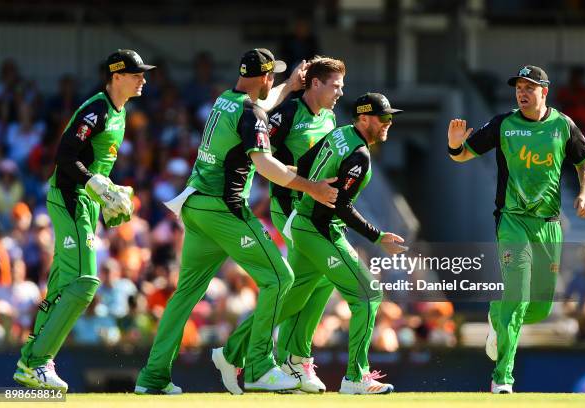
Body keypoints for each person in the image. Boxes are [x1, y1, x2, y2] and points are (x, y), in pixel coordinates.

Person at [135, 48, 338, 395]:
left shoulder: (226, 100)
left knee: (184, 295)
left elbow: (261, 107)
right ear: (264, 77)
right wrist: (311, 187)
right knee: (280, 276)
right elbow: (265, 165)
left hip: (195, 206)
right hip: (224, 209)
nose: (274, 82)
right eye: (273, 77)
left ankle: (153, 378)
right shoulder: (250, 112)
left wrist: (288, 87)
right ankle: (259, 366)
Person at [222, 92, 407, 395]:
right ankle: (355, 378)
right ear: (363, 118)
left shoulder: (340, 133)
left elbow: (304, 163)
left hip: (302, 221)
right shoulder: (358, 154)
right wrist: (377, 236)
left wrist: (296, 203)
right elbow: (339, 207)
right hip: (318, 228)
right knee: (368, 294)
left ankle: (231, 351)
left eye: (390, 118)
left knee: (293, 299)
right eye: (383, 118)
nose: (388, 124)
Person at [447, 65, 585, 394]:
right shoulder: (503, 124)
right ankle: (503, 378)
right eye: (518, 87)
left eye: (530, 87)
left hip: (548, 226)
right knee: (517, 295)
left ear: (545, 92)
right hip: (512, 221)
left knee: (540, 307)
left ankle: (496, 315)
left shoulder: (562, 125)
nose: (522, 92)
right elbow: (463, 155)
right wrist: (456, 145)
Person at [13, 49, 155, 392]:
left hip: (84, 202)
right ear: (116, 76)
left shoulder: (121, 112)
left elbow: (96, 164)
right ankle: (38, 360)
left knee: (63, 285)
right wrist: (94, 184)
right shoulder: (97, 109)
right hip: (69, 198)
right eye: (136, 74)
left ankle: (30, 362)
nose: (143, 80)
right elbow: (64, 156)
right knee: (86, 282)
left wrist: (106, 190)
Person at [268, 55, 344, 392]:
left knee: (324, 279)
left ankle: (292, 359)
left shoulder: (329, 117)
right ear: (315, 83)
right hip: (289, 210)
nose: (341, 92)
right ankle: (273, 355)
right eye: (336, 86)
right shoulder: (286, 114)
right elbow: (259, 157)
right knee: (313, 276)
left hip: (317, 212)